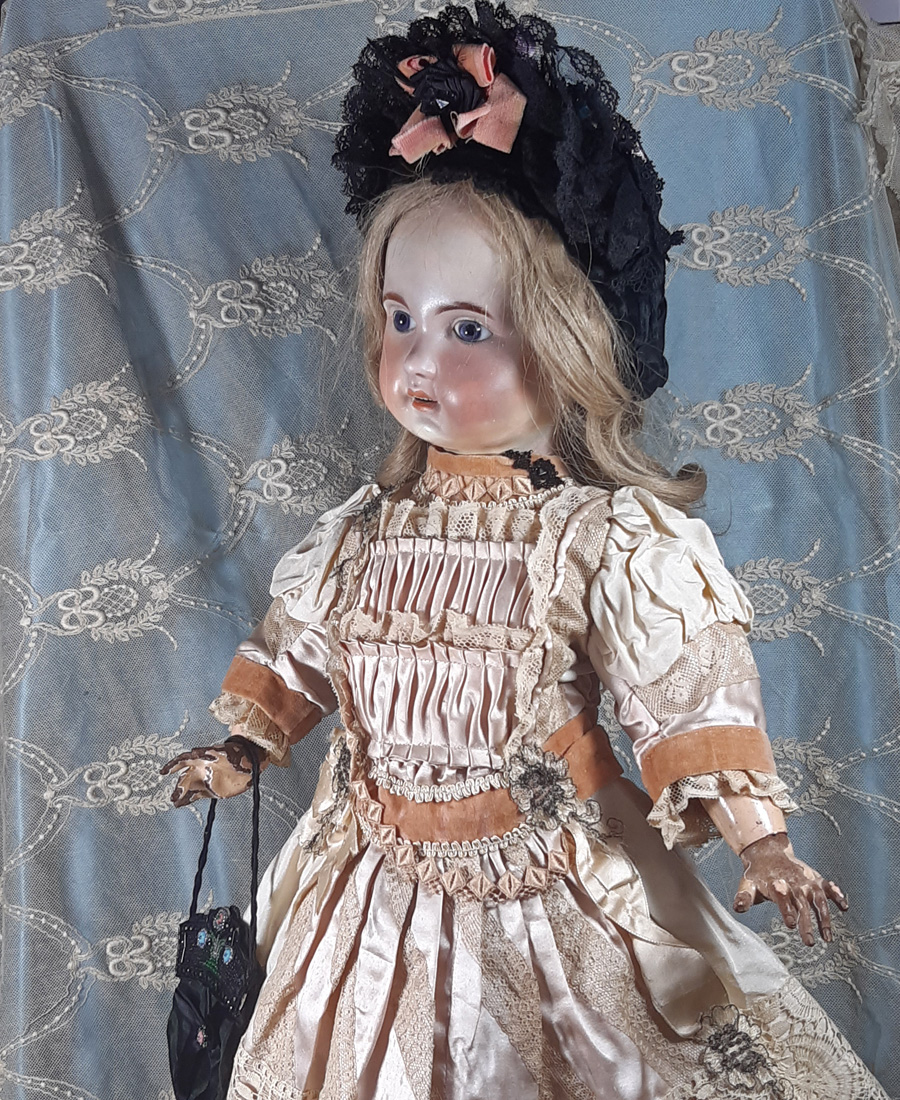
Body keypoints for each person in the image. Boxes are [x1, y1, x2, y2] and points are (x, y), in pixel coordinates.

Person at [162, 5, 889, 1097]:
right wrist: (244, 747)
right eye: (399, 319)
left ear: (568, 341)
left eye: (467, 329)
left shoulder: (603, 536)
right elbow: (303, 652)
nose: (418, 361)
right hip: (368, 885)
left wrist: (761, 841)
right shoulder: (361, 530)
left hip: (549, 882)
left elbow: (682, 690)